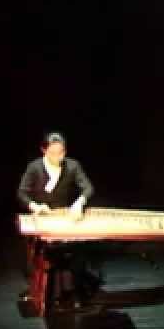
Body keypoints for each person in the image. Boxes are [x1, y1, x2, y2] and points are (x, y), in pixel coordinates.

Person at [16, 132, 98, 307]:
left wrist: (79, 203)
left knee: (78, 248)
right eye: (53, 153)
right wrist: (35, 206)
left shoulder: (72, 166)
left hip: (64, 217)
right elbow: (21, 193)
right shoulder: (34, 167)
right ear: (43, 150)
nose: (57, 157)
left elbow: (88, 188)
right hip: (42, 216)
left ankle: (74, 290)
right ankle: (42, 290)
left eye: (61, 153)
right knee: (40, 250)